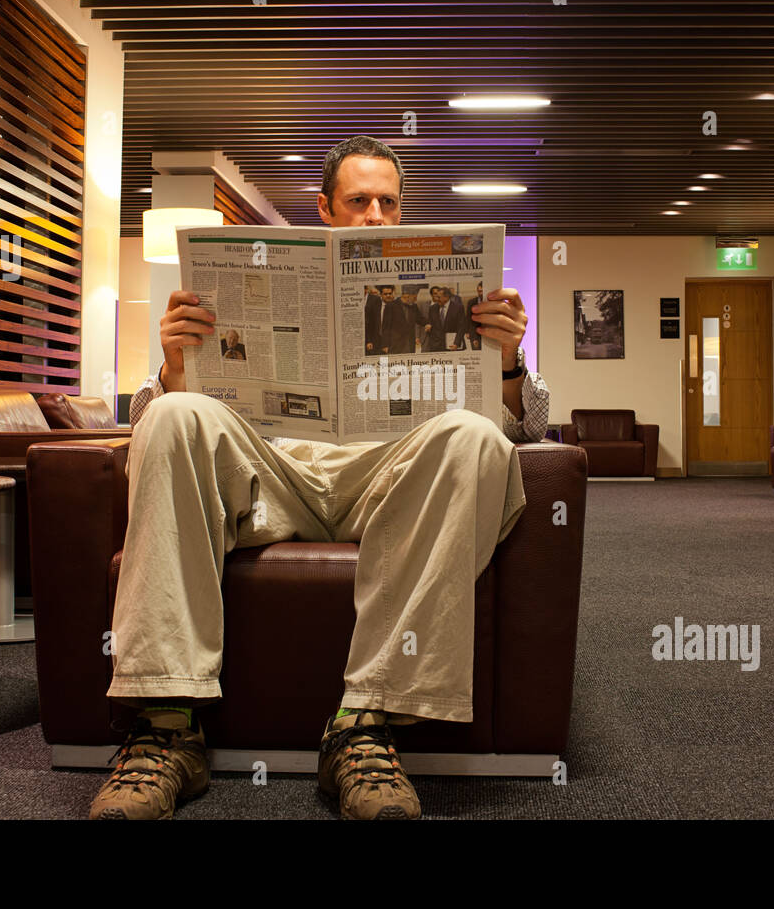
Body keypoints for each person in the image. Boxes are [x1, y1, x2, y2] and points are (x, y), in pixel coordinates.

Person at [89, 135, 550, 821]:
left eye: (388, 203)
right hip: (274, 477)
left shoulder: (448, 294)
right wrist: (175, 370)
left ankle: (364, 726)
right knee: (173, 415)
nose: (375, 215)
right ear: (326, 209)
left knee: (477, 436)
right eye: (358, 201)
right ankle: (166, 726)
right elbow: (152, 426)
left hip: (387, 481)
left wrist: (509, 363)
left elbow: (529, 430)